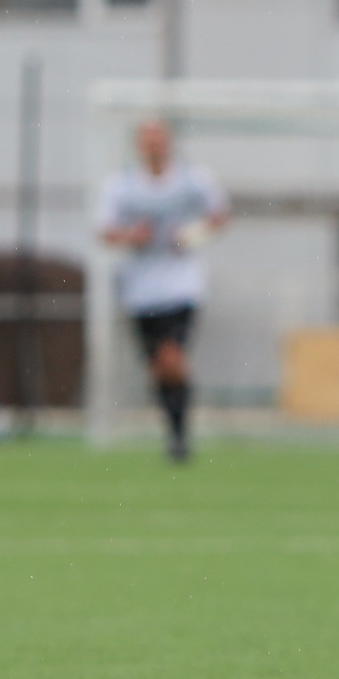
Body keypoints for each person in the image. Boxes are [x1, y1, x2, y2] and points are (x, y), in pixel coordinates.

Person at [97, 119, 230, 462]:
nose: (154, 145)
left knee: (172, 360)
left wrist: (191, 236)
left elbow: (219, 216)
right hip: (139, 290)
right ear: (139, 145)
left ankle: (180, 437)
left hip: (181, 286)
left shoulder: (192, 180)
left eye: (159, 139)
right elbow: (104, 231)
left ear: (169, 143)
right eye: (147, 140)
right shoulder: (122, 185)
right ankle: (175, 432)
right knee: (157, 368)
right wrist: (131, 237)